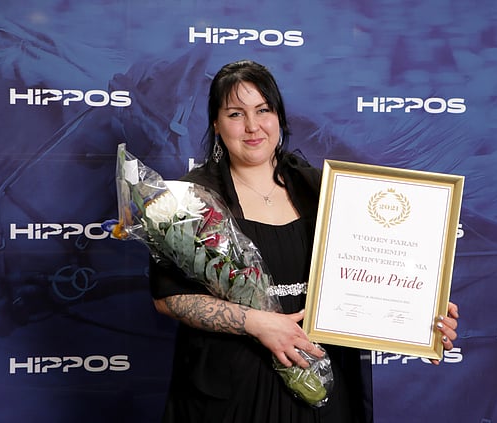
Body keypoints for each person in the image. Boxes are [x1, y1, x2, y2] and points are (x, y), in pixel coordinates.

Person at [149, 59, 460, 423]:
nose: (252, 126)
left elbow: (373, 272)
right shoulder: (192, 200)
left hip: (321, 387)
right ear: (216, 124)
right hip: (231, 394)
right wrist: (257, 323)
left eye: (263, 110)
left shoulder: (324, 189)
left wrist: (419, 315)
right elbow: (168, 299)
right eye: (235, 114)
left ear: (279, 117)